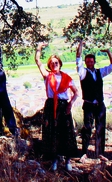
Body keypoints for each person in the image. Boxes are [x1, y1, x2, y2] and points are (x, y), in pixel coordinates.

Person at [35, 42, 78, 171]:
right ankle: (54, 160)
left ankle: (68, 161)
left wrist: (70, 103)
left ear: (60, 63)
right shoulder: (47, 76)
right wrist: (39, 48)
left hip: (64, 106)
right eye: (52, 63)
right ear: (49, 65)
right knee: (52, 132)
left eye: (56, 62)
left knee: (66, 132)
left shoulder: (67, 78)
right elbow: (37, 61)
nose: (54, 64)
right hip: (50, 106)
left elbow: (76, 92)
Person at [75, 39, 112, 158]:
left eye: (91, 61)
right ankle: (84, 152)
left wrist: (108, 52)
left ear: (94, 62)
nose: (89, 63)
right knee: (87, 128)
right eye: (87, 61)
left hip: (100, 105)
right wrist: (81, 45)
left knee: (100, 128)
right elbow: (78, 58)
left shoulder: (100, 72)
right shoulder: (82, 72)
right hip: (88, 105)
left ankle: (100, 153)